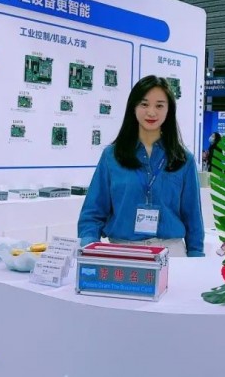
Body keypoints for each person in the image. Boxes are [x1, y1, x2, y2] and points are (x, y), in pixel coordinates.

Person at [77, 75, 205, 257]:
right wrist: (89, 250)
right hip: (122, 252)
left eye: (159, 105)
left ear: (169, 110)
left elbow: (193, 218)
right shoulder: (111, 156)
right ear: (134, 107)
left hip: (171, 254)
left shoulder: (184, 160)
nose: (151, 112)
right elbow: (92, 213)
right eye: (144, 104)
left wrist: (196, 258)